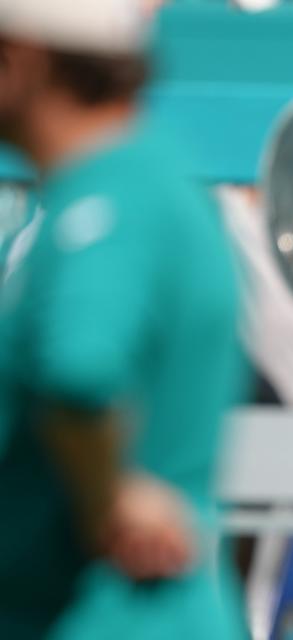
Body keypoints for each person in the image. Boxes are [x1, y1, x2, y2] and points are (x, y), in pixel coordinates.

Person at [0, 2, 246, 638]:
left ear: (21, 60)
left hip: (106, 611)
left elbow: (79, 371)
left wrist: (108, 496)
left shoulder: (110, 196)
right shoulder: (125, 183)